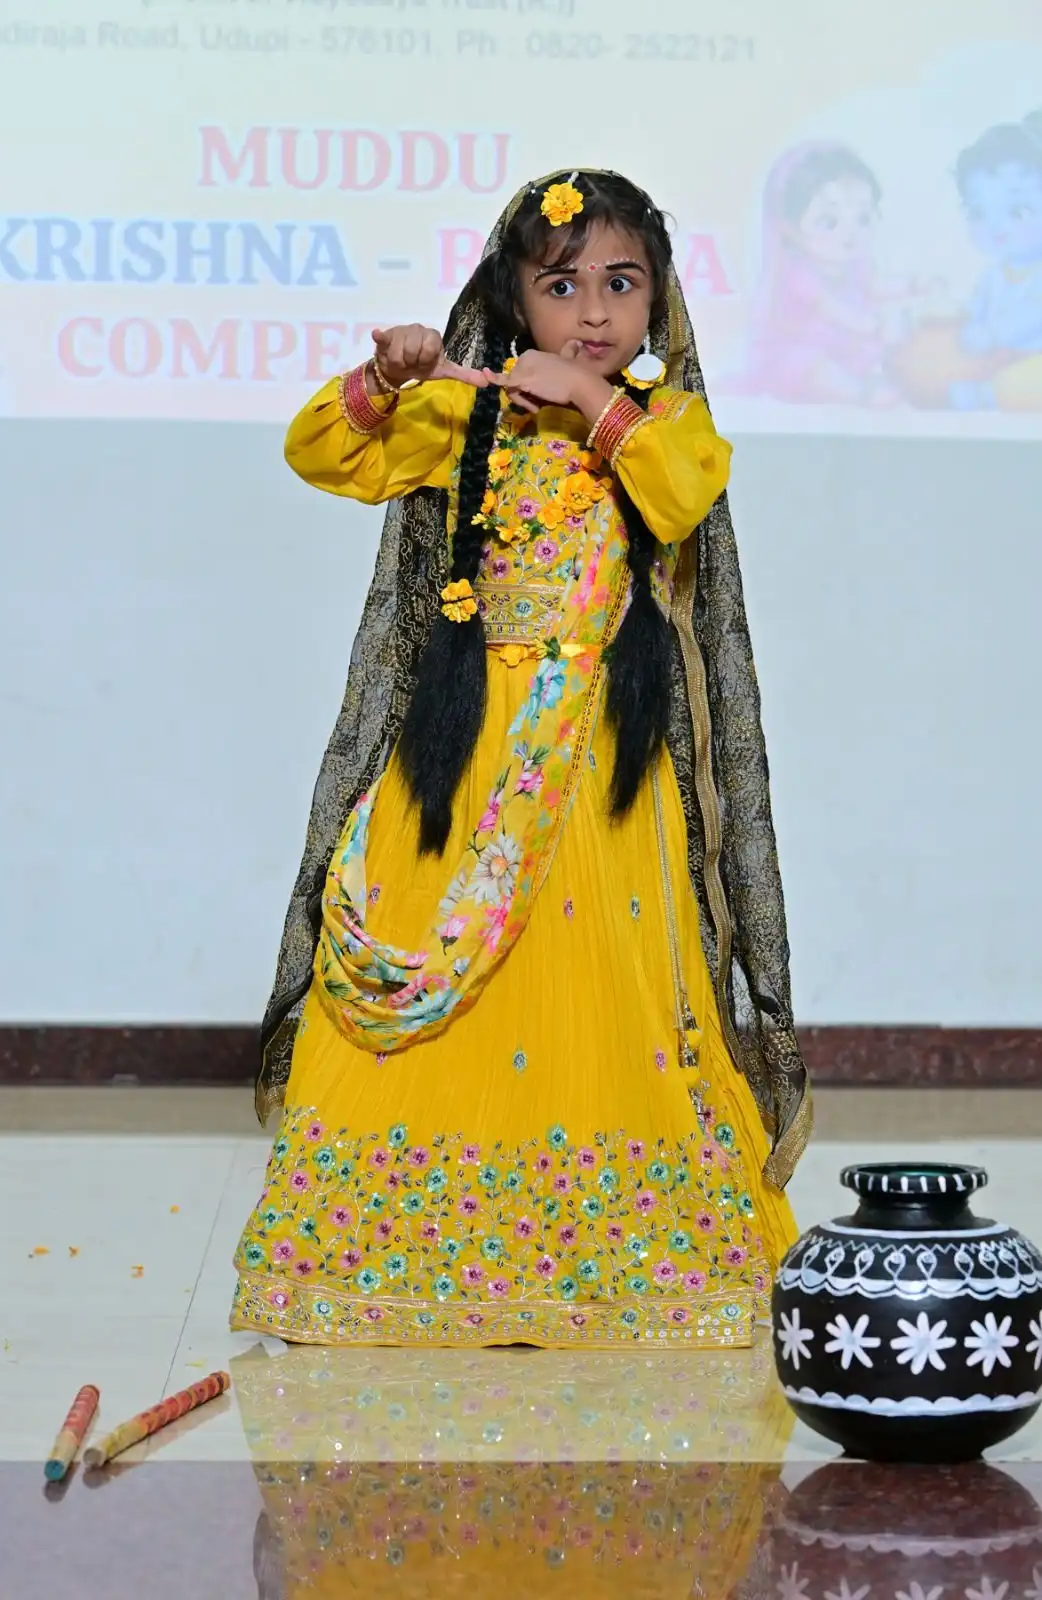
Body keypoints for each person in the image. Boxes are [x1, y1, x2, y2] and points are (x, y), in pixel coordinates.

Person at [231, 169, 810, 1350]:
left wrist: (593, 407)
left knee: (614, 988)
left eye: (619, 284)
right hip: (467, 751)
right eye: (561, 288)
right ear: (513, 299)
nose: (592, 314)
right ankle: (382, 1257)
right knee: (418, 962)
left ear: (657, 301)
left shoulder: (661, 424)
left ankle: (630, 1257)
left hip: (602, 764)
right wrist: (389, 379)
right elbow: (325, 458)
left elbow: (685, 490)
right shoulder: (466, 413)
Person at [726, 142, 901, 407]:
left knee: (885, 356)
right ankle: (861, 394)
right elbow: (832, 310)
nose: (849, 235)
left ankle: (869, 383)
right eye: (829, 222)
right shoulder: (798, 276)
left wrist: (912, 287)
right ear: (789, 228)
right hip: (802, 359)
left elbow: (875, 288)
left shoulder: (856, 267)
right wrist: (870, 326)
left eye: (863, 219)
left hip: (844, 350)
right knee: (811, 366)